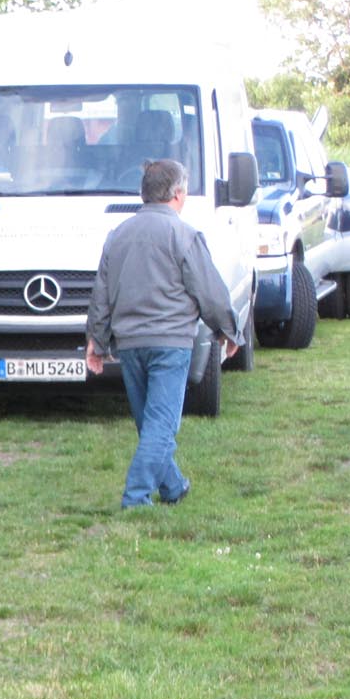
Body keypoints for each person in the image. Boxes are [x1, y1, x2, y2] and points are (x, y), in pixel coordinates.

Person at [85, 158, 240, 508]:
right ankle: (136, 498)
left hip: (130, 344)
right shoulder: (184, 235)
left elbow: (102, 294)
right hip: (171, 343)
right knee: (161, 426)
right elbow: (210, 292)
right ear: (178, 194)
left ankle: (173, 487)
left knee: (149, 423)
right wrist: (228, 330)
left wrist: (96, 340)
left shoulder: (118, 235)